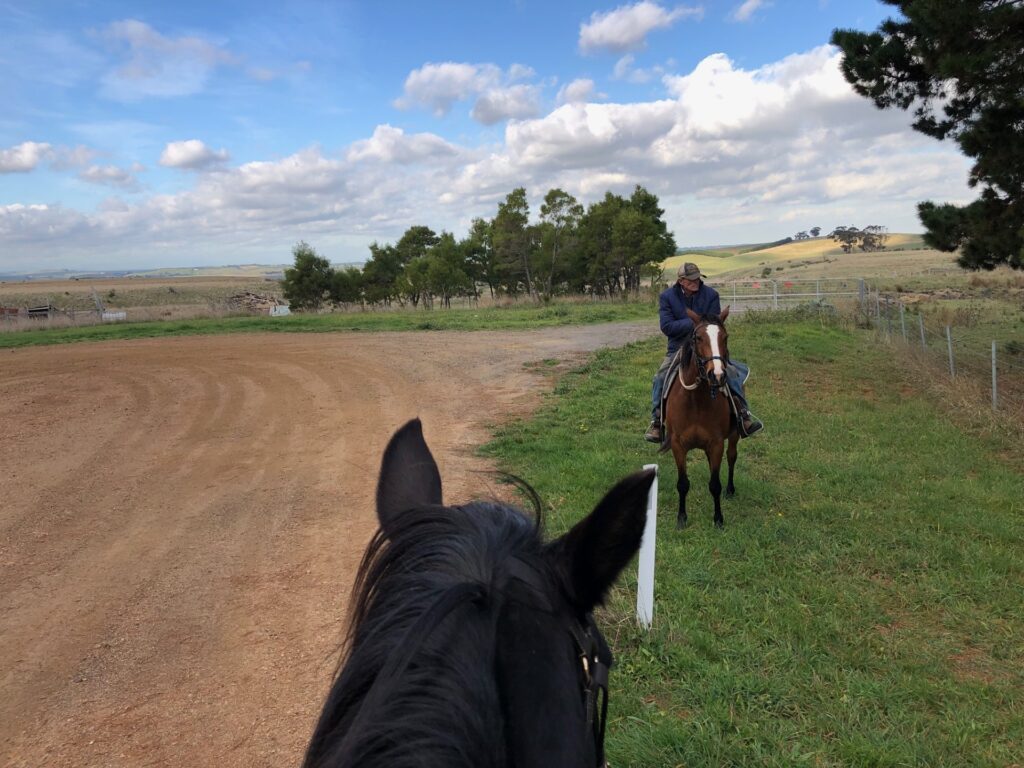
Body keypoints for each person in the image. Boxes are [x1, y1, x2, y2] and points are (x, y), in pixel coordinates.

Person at [644, 262, 763, 443]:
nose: (695, 282)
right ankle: (657, 422)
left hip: (708, 345)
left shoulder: (711, 295)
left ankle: (744, 416)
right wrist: (697, 324)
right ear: (681, 281)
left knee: (730, 372)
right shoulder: (667, 297)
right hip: (679, 347)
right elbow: (667, 326)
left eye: (697, 278)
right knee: (660, 376)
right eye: (691, 280)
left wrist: (702, 328)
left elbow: (715, 323)